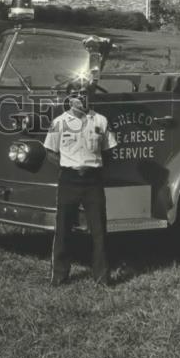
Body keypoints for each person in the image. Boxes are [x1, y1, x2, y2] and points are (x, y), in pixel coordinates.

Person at [43, 90, 117, 286]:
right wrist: (68, 165)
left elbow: (109, 151)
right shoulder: (59, 122)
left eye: (85, 96)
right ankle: (59, 275)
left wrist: (94, 168)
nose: (82, 100)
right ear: (70, 100)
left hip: (93, 182)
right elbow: (50, 152)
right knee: (63, 228)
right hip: (69, 180)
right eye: (77, 96)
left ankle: (102, 277)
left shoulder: (100, 120)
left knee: (99, 230)